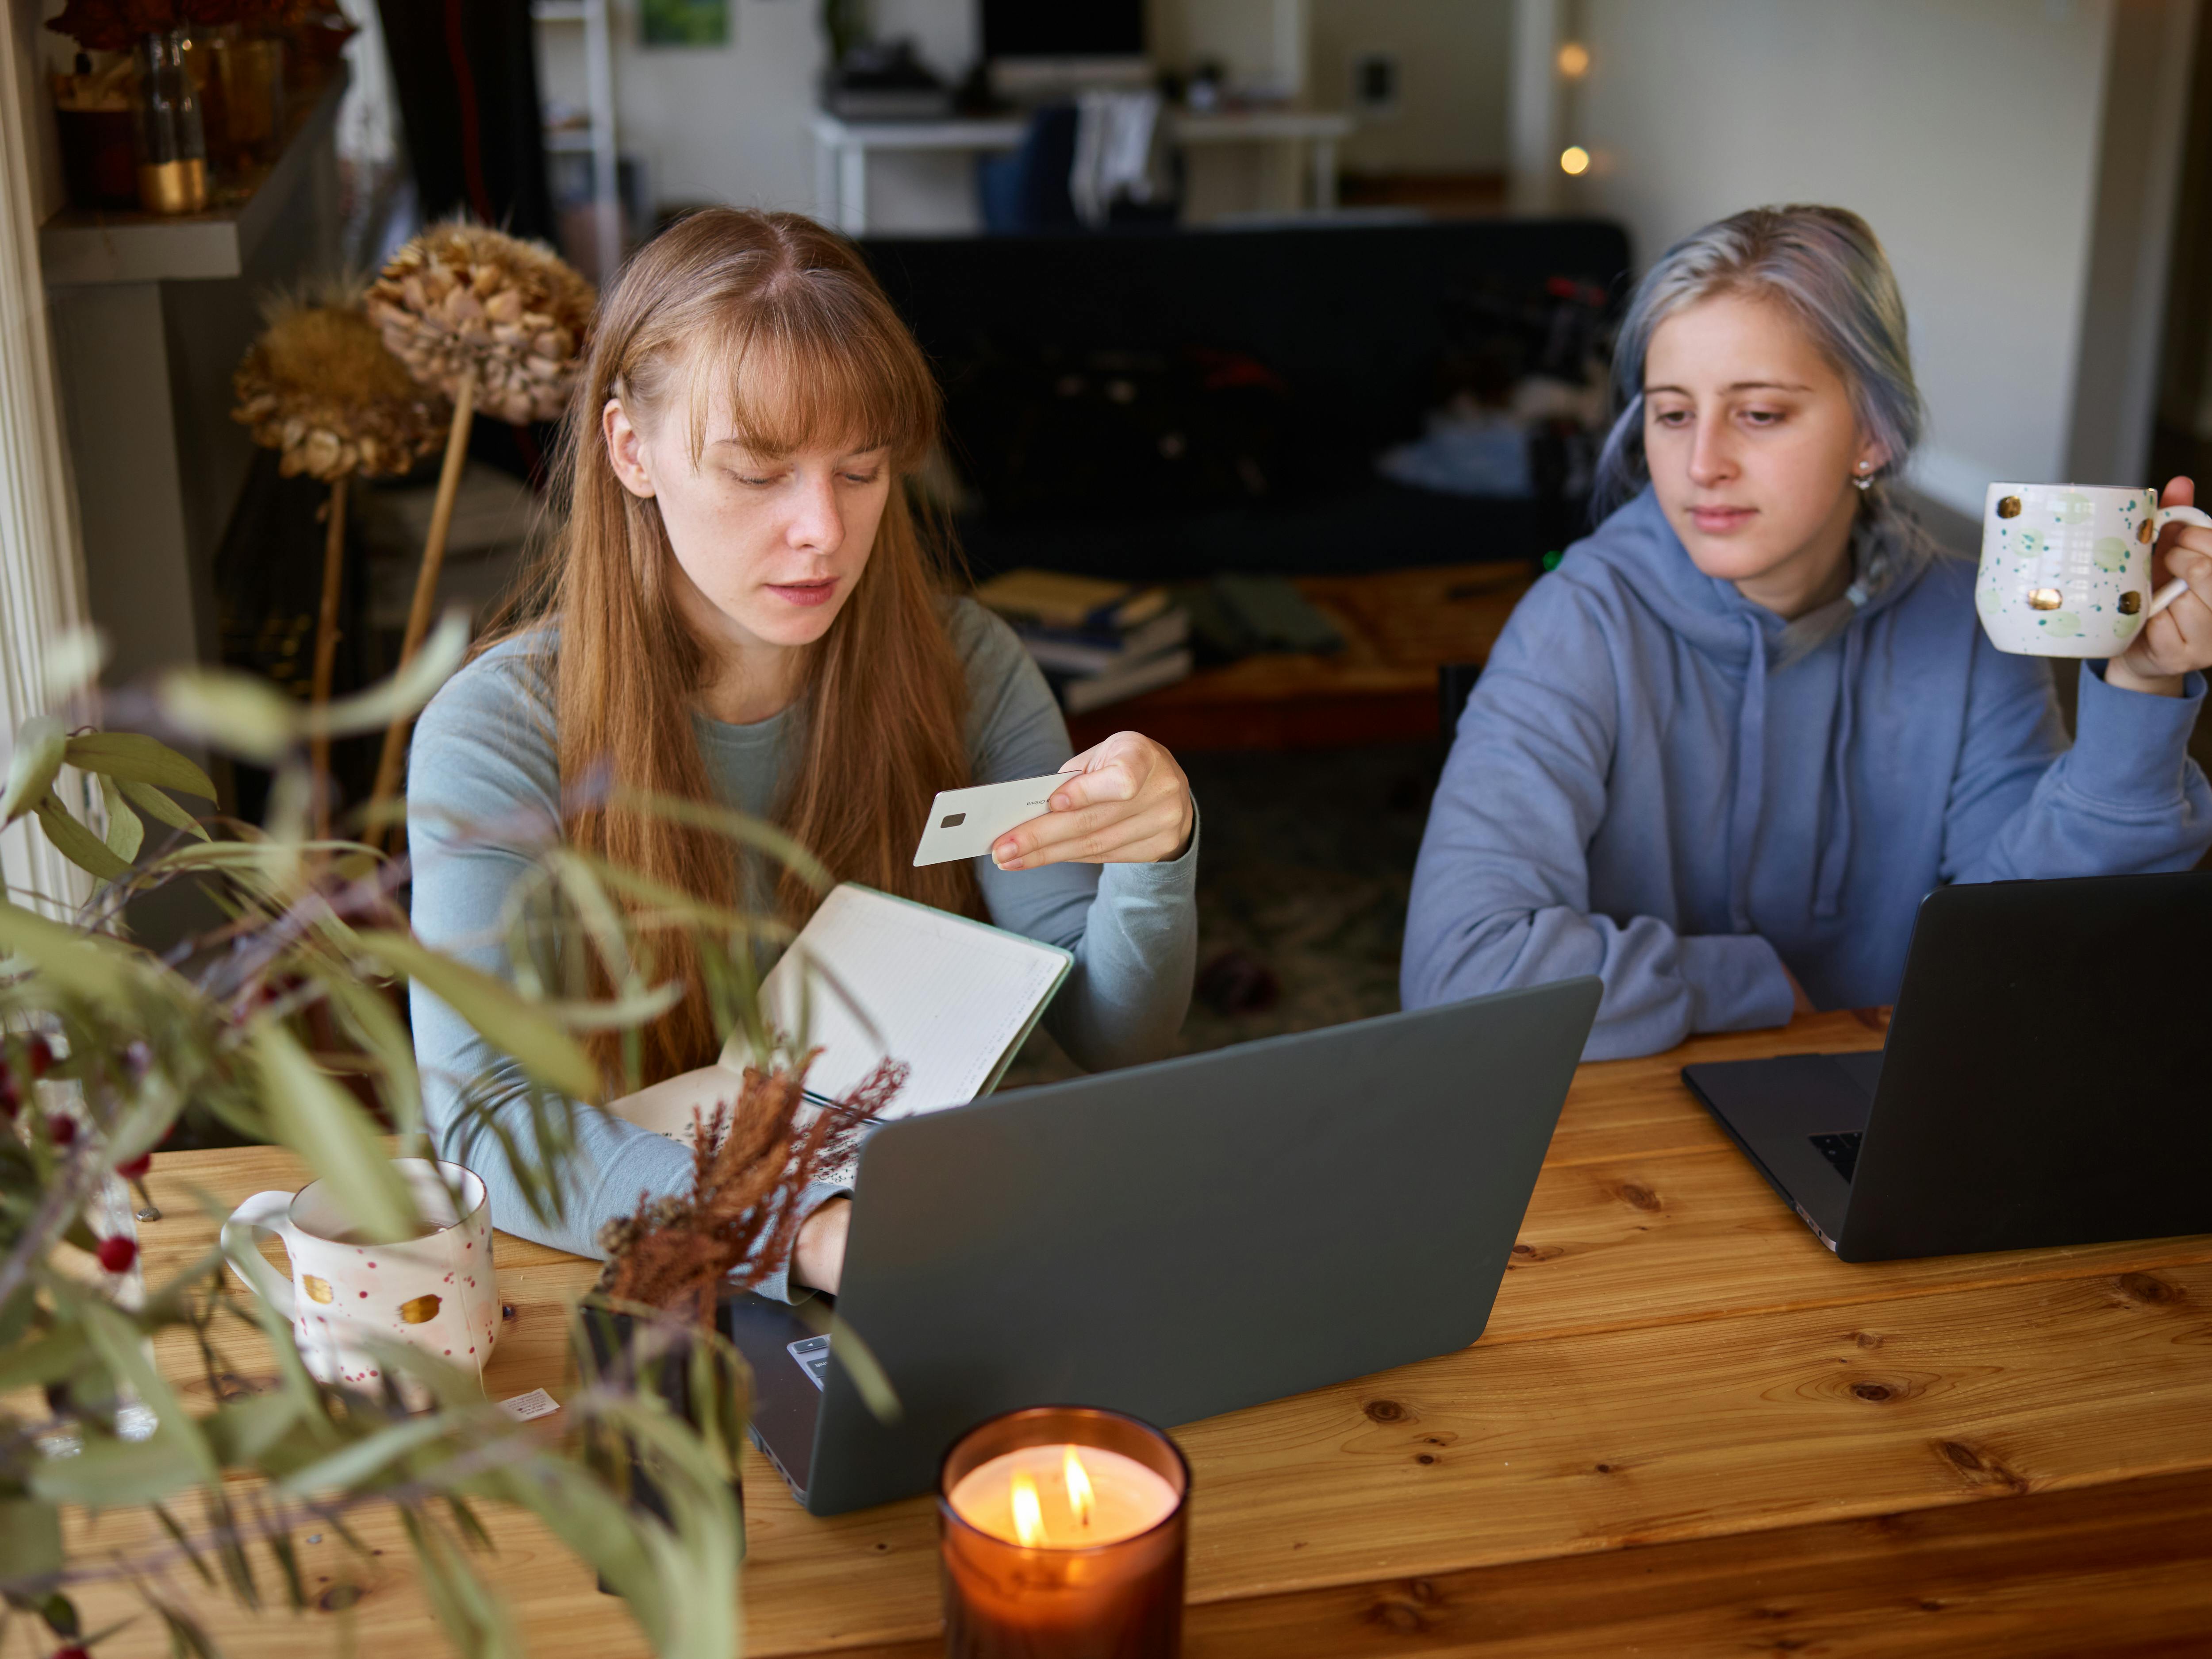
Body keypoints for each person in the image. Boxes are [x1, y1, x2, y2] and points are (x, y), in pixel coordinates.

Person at [407, 209, 1198, 1295]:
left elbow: (1112, 1039)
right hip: (628, 1270)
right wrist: (810, 1229)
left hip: (926, 1240)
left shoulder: (969, 666)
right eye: (757, 472)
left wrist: (1155, 856)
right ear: (631, 450)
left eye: (862, 471)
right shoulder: (500, 728)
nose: (823, 530)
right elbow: (486, 1117)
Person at [1402, 204, 2212, 1060]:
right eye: (1673, 414)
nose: (1702, 462)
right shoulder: (1579, 622)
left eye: (1759, 414)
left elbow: (2036, 948)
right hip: (1631, 1132)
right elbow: (1460, 971)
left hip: (1891, 1118)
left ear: (1873, 432)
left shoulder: (1963, 628)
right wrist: (1746, 985)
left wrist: (2141, 688)